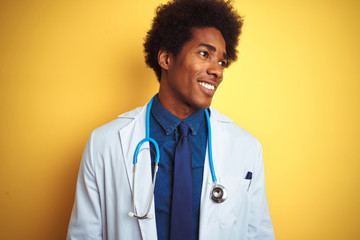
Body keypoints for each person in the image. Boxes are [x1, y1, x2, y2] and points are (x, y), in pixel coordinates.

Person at [67, 0, 275, 239]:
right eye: (204, 53)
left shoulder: (246, 147)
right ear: (166, 58)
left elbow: (258, 234)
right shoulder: (104, 144)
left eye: (221, 62)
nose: (218, 71)